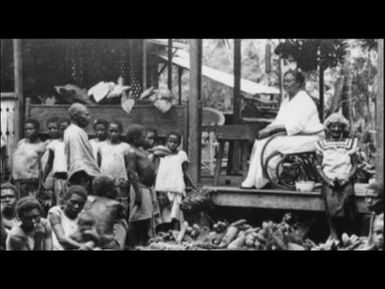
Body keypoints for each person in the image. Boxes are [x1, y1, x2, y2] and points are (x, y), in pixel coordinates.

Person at [241, 70, 325, 189]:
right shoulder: (286, 100)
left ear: (298, 83)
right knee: (260, 141)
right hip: (296, 135)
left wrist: (272, 129)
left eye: (289, 81)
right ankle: (257, 179)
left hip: (310, 137)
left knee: (271, 144)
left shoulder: (304, 100)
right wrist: (268, 129)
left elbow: (297, 125)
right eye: (284, 81)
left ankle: (270, 177)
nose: (285, 84)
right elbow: (279, 121)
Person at [315, 112, 359, 241]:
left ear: (343, 128)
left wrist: (346, 179)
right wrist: (328, 181)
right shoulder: (321, 144)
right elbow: (318, 166)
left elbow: (355, 165)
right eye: (333, 126)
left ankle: (346, 233)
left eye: (339, 126)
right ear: (328, 128)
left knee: (347, 200)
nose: (336, 129)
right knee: (330, 202)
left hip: (345, 179)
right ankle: (333, 234)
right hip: (329, 180)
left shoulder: (350, 144)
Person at [155, 132, 196, 231]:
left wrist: (192, 183)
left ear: (179, 143)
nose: (173, 144)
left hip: (177, 188)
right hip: (163, 188)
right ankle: (163, 232)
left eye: (176, 142)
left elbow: (185, 171)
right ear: (166, 142)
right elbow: (156, 171)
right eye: (170, 141)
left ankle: (176, 232)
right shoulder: (161, 154)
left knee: (176, 212)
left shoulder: (182, 155)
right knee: (163, 211)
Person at [125, 124, 156, 249]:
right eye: (143, 137)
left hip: (146, 189)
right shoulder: (132, 152)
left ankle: (142, 244)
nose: (145, 139)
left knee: (145, 218)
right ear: (135, 138)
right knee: (136, 218)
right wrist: (137, 193)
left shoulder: (141, 150)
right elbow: (131, 173)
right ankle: (131, 245)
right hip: (139, 188)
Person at [81, 176, 128, 250]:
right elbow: (125, 212)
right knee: (122, 221)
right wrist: (123, 195)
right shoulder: (115, 204)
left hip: (89, 241)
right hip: (108, 244)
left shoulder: (88, 200)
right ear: (109, 191)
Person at [64, 103, 100, 193]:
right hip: (82, 175)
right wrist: (83, 178)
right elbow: (77, 157)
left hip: (84, 174)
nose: (89, 118)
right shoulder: (74, 131)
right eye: (86, 115)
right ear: (76, 116)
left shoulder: (77, 130)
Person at [97, 120, 131, 210]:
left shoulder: (125, 147)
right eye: (111, 131)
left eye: (116, 131)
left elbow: (128, 165)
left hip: (120, 181)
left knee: (121, 205)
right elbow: (98, 163)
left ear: (121, 132)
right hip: (105, 181)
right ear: (107, 131)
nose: (113, 134)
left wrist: (125, 179)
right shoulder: (101, 146)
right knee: (105, 205)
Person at [47, 185, 90, 250]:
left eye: (81, 204)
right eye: (73, 202)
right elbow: (61, 238)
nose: (76, 206)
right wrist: (82, 247)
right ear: (65, 200)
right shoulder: (55, 212)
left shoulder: (83, 215)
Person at [12, 119, 46, 198]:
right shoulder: (21, 142)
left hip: (30, 183)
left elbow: (41, 168)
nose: (27, 131)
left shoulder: (41, 146)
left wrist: (40, 186)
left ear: (37, 130)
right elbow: (16, 162)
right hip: (17, 181)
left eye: (30, 129)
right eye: (26, 129)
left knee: (29, 205)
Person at [43, 118, 71, 206]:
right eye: (61, 129)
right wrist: (44, 177)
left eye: (66, 128)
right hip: (58, 178)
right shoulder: (54, 143)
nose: (64, 131)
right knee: (59, 203)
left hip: (70, 178)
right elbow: (49, 162)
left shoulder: (73, 143)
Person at [40, 117, 60, 194]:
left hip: (54, 176)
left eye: (55, 128)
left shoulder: (60, 144)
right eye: (50, 128)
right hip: (45, 175)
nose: (52, 131)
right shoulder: (46, 143)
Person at [365, 182, 384, 249]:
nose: (369, 201)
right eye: (367, 197)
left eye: (374, 198)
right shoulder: (374, 214)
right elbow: (370, 242)